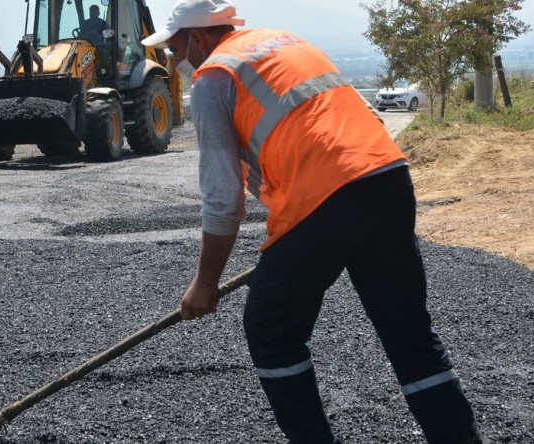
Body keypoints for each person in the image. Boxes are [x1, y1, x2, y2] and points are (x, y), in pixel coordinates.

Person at [142, 1, 484, 443]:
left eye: (173, 51)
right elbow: (363, 119)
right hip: (387, 177)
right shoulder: (287, 44)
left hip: (325, 197)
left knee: (271, 328)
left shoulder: (214, 76)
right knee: (410, 336)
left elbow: (222, 198)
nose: (175, 63)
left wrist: (205, 283)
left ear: (199, 39)